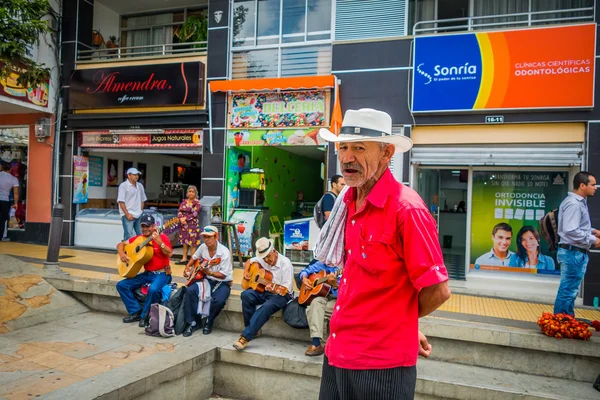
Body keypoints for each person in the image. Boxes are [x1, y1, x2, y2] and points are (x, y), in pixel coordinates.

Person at [315, 108, 450, 399]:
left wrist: (402, 324)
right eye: (344, 147)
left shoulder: (406, 209)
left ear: (387, 152)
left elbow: (437, 290)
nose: (347, 157)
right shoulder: (348, 201)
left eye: (359, 147)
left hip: (381, 367)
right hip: (338, 352)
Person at [234, 237, 293, 351]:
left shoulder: (286, 263)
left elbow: (286, 289)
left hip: (281, 295)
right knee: (246, 295)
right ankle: (253, 330)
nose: (266, 260)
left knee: (266, 307)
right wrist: (246, 272)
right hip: (265, 290)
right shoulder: (262, 258)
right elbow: (248, 262)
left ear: (274, 251)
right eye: (264, 258)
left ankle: (245, 337)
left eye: (268, 256)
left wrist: (273, 289)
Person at [554, 171, 600, 316]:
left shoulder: (577, 202)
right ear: (582, 185)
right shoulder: (574, 204)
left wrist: (592, 231)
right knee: (568, 290)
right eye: (592, 185)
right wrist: (593, 240)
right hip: (573, 252)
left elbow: (575, 227)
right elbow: (570, 230)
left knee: (570, 291)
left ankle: (566, 320)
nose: (595, 187)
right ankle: (560, 323)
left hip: (574, 252)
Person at [116, 213, 173, 327]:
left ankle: (145, 316)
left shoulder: (162, 237)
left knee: (153, 289)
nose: (146, 229)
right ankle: (135, 312)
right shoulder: (139, 239)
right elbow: (120, 244)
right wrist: (122, 253)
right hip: (147, 274)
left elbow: (170, 253)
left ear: (153, 226)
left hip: (162, 274)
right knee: (122, 285)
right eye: (143, 226)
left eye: (148, 226)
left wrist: (159, 242)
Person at [182, 225, 232, 337]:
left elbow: (223, 275)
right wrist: (188, 267)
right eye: (205, 237)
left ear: (216, 237)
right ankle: (192, 322)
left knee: (219, 300)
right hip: (206, 280)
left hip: (222, 282)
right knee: (190, 291)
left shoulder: (224, 252)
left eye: (209, 237)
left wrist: (209, 272)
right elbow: (194, 257)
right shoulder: (202, 247)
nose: (206, 240)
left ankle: (210, 321)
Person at [299, 259, 340, 357]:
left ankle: (324, 342)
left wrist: (334, 285)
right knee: (316, 302)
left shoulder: (346, 268)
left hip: (341, 299)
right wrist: (304, 278)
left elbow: (345, 293)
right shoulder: (326, 263)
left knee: (313, 310)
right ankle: (316, 344)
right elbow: (305, 271)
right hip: (326, 296)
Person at [117, 167, 147, 241]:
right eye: (134, 175)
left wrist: (141, 210)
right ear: (129, 175)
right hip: (128, 214)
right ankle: (127, 251)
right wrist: (127, 214)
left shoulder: (140, 186)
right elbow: (121, 201)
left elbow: (143, 199)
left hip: (138, 214)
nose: (136, 176)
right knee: (129, 235)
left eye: (137, 174)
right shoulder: (123, 186)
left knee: (141, 235)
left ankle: (140, 251)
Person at [177, 185, 202, 265]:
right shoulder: (184, 202)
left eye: (192, 192)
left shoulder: (197, 203)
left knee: (193, 243)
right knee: (184, 242)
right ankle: (184, 258)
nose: (191, 193)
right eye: (189, 192)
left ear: (195, 193)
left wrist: (185, 218)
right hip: (183, 225)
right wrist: (181, 218)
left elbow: (195, 213)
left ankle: (192, 260)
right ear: (187, 193)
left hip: (192, 225)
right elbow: (179, 211)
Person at [0, 162, 18, 242]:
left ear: (1, 168)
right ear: (10, 169)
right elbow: (16, 193)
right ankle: (2, 236)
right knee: (3, 219)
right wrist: (16, 203)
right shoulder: (14, 179)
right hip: (5, 201)